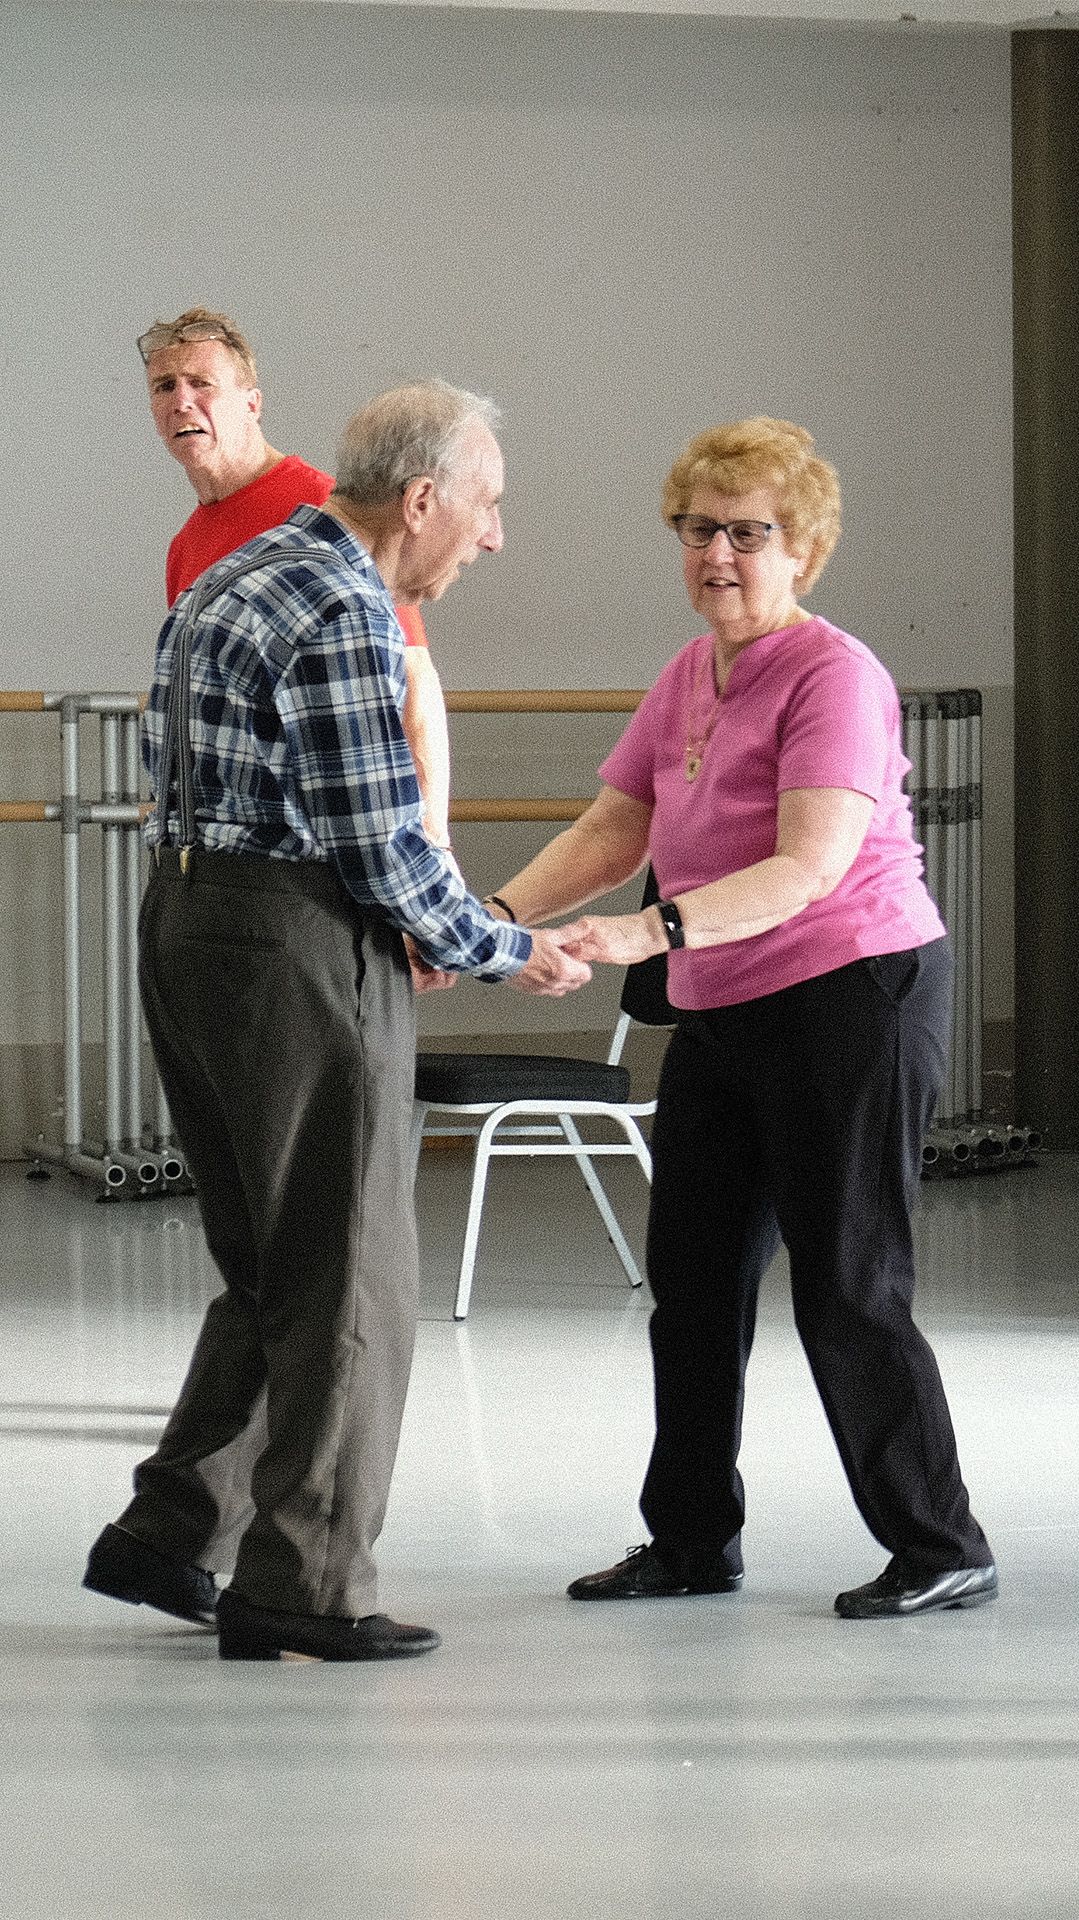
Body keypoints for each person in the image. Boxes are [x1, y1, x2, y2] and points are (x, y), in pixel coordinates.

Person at [82, 381, 590, 1661]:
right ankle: (302, 1584)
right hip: (294, 945)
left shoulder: (235, 576)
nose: (492, 535)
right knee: (354, 1280)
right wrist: (501, 948)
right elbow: (380, 842)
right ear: (421, 499)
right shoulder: (346, 608)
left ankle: (169, 1532)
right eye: (486, 505)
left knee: (269, 1263)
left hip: (190, 921)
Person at [485, 416, 997, 1620]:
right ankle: (691, 1542)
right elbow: (617, 830)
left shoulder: (835, 674)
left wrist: (645, 933)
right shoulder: (689, 674)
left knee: (847, 1281)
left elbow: (811, 866)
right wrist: (492, 920)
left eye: (749, 533)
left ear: (803, 550)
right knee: (696, 1282)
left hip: (852, 996)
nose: (720, 553)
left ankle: (939, 1544)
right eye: (700, 529)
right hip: (726, 1004)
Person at [139, 306, 453, 849]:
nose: (181, 400)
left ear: (253, 403)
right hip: (233, 851)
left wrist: (433, 842)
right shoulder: (186, 546)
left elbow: (413, 684)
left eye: (201, 383)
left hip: (329, 849)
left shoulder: (322, 506)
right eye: (165, 386)